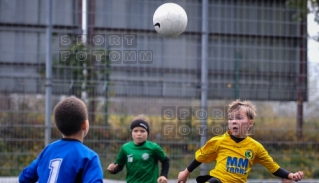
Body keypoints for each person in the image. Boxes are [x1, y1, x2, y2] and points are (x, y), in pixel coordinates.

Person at [177, 99, 304, 183]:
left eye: (238, 118)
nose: (233, 121)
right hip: (217, 180)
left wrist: (290, 176)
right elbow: (200, 156)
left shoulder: (255, 147)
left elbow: (273, 167)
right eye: (230, 118)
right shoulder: (219, 141)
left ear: (250, 123)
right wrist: (186, 172)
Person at [19, 96, 104, 183]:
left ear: (57, 126)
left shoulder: (48, 150)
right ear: (85, 124)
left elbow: (24, 178)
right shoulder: (88, 157)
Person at [107, 114, 170, 183]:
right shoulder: (125, 148)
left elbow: (165, 160)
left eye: (142, 131)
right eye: (135, 131)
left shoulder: (154, 147)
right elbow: (119, 166)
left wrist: (163, 175)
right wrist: (113, 169)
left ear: (147, 133)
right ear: (131, 132)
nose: (139, 134)